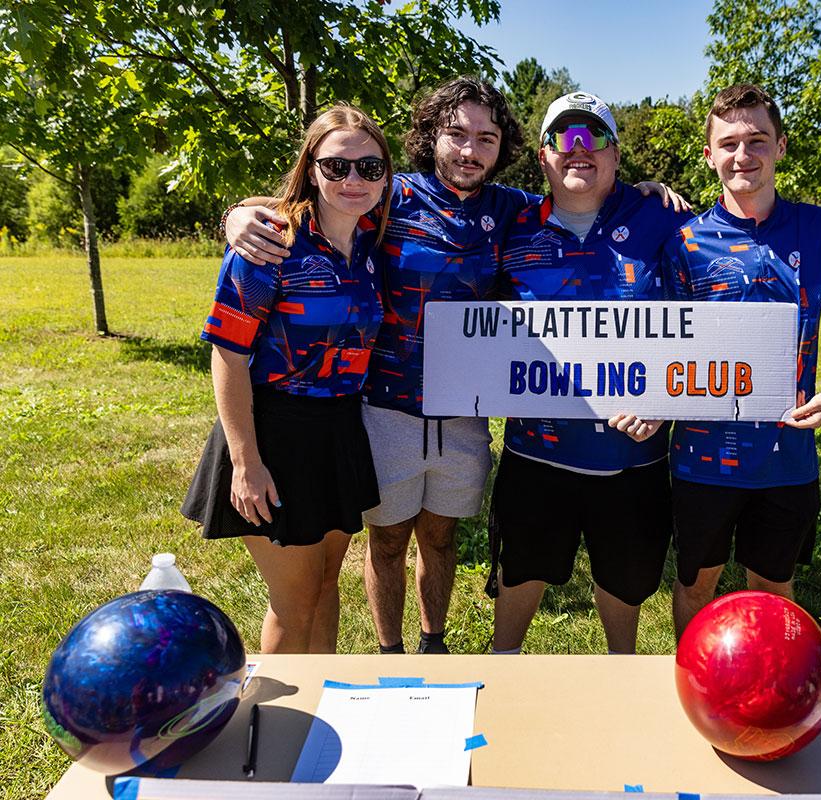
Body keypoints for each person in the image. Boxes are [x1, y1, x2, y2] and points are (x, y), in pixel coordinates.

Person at [224, 78, 685, 655]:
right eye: (457, 134)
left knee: (440, 536)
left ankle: (432, 643)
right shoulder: (385, 195)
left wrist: (646, 190)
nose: (470, 150)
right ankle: (390, 651)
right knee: (386, 541)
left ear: (506, 149)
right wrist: (239, 213)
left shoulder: (514, 209)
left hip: (463, 410)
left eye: (485, 138)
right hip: (385, 406)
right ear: (430, 137)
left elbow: (583, 191)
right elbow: (312, 199)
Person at [664, 84, 821, 640]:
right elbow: (662, 345)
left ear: (781, 146)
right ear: (708, 155)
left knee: (773, 590)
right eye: (728, 142)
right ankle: (695, 689)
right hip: (700, 459)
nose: (743, 155)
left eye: (757, 140)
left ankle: (770, 699)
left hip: (788, 456)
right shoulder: (683, 241)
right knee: (694, 588)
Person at [182, 103, 391, 654]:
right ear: (311, 167)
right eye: (336, 167)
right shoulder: (271, 243)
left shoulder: (372, 241)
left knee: (325, 588)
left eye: (369, 168)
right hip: (275, 432)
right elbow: (226, 352)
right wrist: (246, 461)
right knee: (294, 604)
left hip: (340, 431)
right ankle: (272, 731)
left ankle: (322, 712)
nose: (353, 180)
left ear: (386, 175)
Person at [487, 91, 692, 655]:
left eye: (594, 135)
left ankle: (620, 671)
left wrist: (670, 399)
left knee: (625, 582)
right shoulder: (511, 221)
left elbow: (710, 315)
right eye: (563, 137)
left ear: (617, 154)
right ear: (542, 156)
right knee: (522, 568)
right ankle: (503, 665)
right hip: (535, 454)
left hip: (632, 457)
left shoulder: (663, 217)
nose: (579, 148)